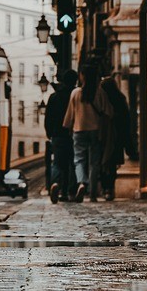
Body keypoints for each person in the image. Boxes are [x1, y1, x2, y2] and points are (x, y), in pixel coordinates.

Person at [92, 74, 136, 202]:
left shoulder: (100, 101)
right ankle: (109, 189)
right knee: (111, 165)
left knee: (101, 162)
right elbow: (127, 121)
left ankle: (104, 188)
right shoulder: (120, 99)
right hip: (117, 138)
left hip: (102, 136)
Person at [62, 69, 103, 202]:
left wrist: (68, 126)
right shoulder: (99, 92)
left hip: (79, 129)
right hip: (95, 130)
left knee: (79, 159)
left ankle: (82, 182)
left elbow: (70, 114)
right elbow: (108, 110)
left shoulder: (75, 93)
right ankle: (92, 194)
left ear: (82, 77)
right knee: (94, 162)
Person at [44, 70, 77, 204]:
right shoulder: (75, 95)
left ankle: (55, 184)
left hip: (57, 135)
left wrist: (49, 133)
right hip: (73, 133)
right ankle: (70, 192)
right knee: (72, 163)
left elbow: (48, 118)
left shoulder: (53, 97)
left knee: (57, 163)